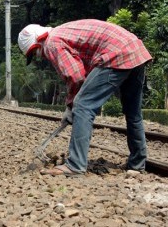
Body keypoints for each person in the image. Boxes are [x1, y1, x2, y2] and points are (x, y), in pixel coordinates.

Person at [17, 19, 152, 176]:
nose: (38, 57)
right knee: (133, 112)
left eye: (34, 53)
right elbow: (85, 73)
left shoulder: (51, 43)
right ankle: (137, 165)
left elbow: (76, 77)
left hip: (115, 53)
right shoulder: (63, 31)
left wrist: (71, 106)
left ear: (37, 44)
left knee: (82, 106)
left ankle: (75, 165)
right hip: (135, 49)